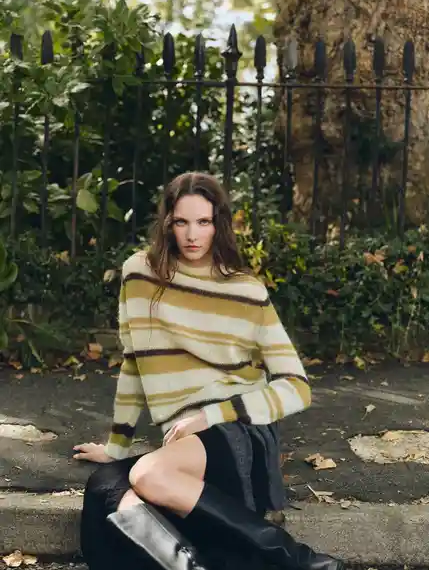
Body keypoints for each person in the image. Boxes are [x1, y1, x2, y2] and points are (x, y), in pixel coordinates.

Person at [74, 171, 344, 570]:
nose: (192, 235)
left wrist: (212, 415)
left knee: (146, 474)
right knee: (104, 487)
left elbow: (297, 387)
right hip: (184, 446)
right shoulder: (139, 275)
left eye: (203, 222)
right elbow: (134, 364)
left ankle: (298, 560)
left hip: (235, 431)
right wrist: (116, 446)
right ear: (167, 224)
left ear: (219, 224)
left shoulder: (245, 290)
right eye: (181, 222)